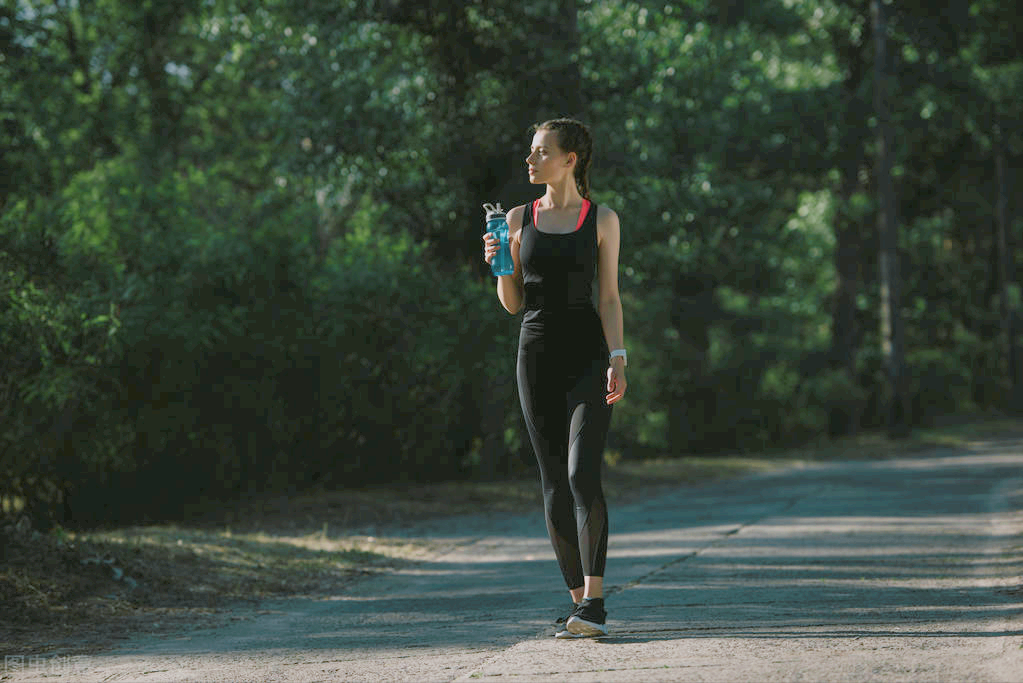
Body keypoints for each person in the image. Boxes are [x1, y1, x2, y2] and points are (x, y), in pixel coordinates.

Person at [482, 118, 627, 638]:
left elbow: (608, 297)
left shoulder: (602, 219)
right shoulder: (518, 219)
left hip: (589, 354)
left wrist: (619, 356)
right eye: (530, 150)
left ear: (570, 159)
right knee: (552, 482)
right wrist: (501, 264)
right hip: (536, 352)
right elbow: (512, 303)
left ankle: (595, 599)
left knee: (581, 473)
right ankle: (576, 604)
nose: (530, 160)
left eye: (541, 151)